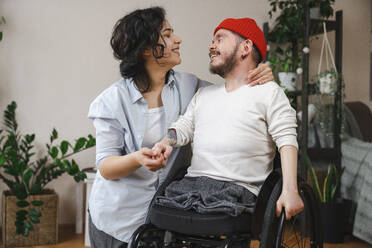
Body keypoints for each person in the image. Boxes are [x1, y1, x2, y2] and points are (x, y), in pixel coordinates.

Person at [87, 7, 274, 248]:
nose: (178, 39)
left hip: (166, 213)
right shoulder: (110, 101)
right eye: (167, 34)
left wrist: (260, 71)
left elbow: (234, 91)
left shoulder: (190, 87)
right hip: (116, 218)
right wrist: (137, 159)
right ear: (146, 49)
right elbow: (106, 167)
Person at [153, 17, 304, 220]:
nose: (211, 46)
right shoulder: (204, 94)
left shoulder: (269, 92)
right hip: (192, 184)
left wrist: (290, 191)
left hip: (240, 190)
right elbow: (184, 127)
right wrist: (165, 141)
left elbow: (286, 138)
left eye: (219, 39)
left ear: (246, 47)